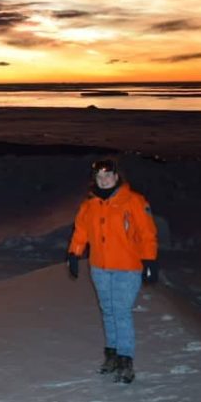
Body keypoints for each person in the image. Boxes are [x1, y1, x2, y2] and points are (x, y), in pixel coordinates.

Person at [66, 157, 158, 384]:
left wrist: (150, 261)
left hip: (127, 267)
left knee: (121, 312)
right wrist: (74, 254)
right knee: (108, 311)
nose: (104, 180)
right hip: (99, 267)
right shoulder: (89, 205)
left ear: (117, 177)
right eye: (99, 177)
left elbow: (147, 233)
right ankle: (112, 355)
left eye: (108, 176)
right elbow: (81, 232)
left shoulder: (134, 201)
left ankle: (126, 360)